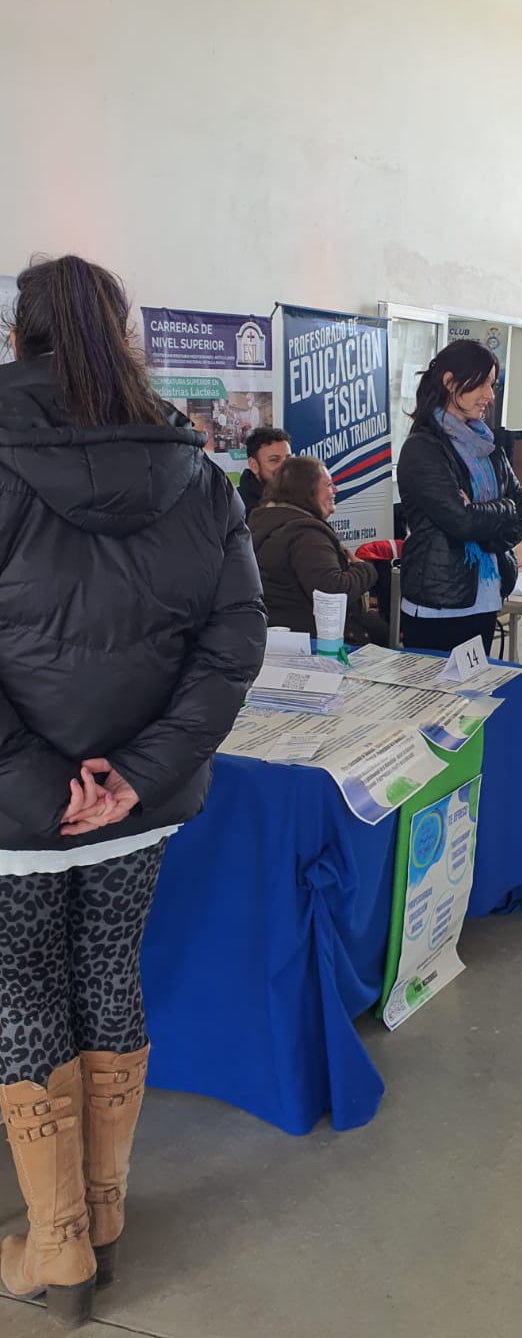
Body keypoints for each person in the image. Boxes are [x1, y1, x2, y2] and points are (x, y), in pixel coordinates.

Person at [0, 256, 266, 1326]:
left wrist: (39, 780)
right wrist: (137, 777)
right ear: (124, 339)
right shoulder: (198, 473)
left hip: (16, 815)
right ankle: (101, 1218)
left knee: (21, 995)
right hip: (135, 809)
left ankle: (58, 1246)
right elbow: (234, 638)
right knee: (109, 970)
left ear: (19, 336)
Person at [397, 339, 522, 655]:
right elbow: (461, 521)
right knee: (436, 703)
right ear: (449, 382)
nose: (490, 395)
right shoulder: (423, 448)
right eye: (482, 384)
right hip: (440, 603)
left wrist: (490, 520)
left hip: (485, 596)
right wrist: (500, 511)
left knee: (474, 702)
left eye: (492, 384)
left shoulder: (486, 444)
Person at [249, 456, 387, 644]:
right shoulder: (306, 535)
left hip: (279, 636)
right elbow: (331, 592)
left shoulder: (266, 522)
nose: (335, 490)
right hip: (313, 642)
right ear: (308, 491)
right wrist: (364, 569)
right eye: (329, 484)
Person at [239, 426, 291, 516]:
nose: (284, 466)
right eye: (274, 460)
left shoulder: (300, 495)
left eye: (288, 459)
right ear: (254, 465)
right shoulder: (239, 507)